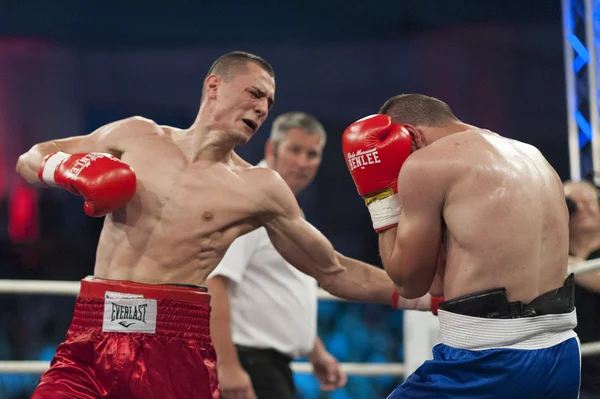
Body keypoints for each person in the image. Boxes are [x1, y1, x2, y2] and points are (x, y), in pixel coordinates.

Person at [15, 52, 433, 399]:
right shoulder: (137, 135)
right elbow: (31, 158)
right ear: (214, 86)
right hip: (91, 333)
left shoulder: (258, 188)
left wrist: (423, 298)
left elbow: (335, 271)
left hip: (173, 350)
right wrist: (67, 168)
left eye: (268, 103)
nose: (261, 108)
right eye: (254, 94)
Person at [341, 94, 580, 399]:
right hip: (561, 354)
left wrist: (381, 198)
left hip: (489, 361)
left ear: (411, 135)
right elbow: (441, 283)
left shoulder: (426, 163)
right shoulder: (532, 155)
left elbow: (410, 283)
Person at [206, 112, 346, 399]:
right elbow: (215, 283)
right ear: (271, 149)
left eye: (312, 154)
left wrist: (315, 350)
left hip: (270, 365)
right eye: (294, 150)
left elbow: (277, 287)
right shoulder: (252, 202)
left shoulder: (284, 207)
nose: (303, 162)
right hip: (250, 362)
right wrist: (227, 365)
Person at [565, 180, 600, 399]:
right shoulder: (546, 259)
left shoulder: (552, 262)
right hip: (575, 375)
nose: (581, 208)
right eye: (571, 203)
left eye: (588, 201)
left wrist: (563, 264)